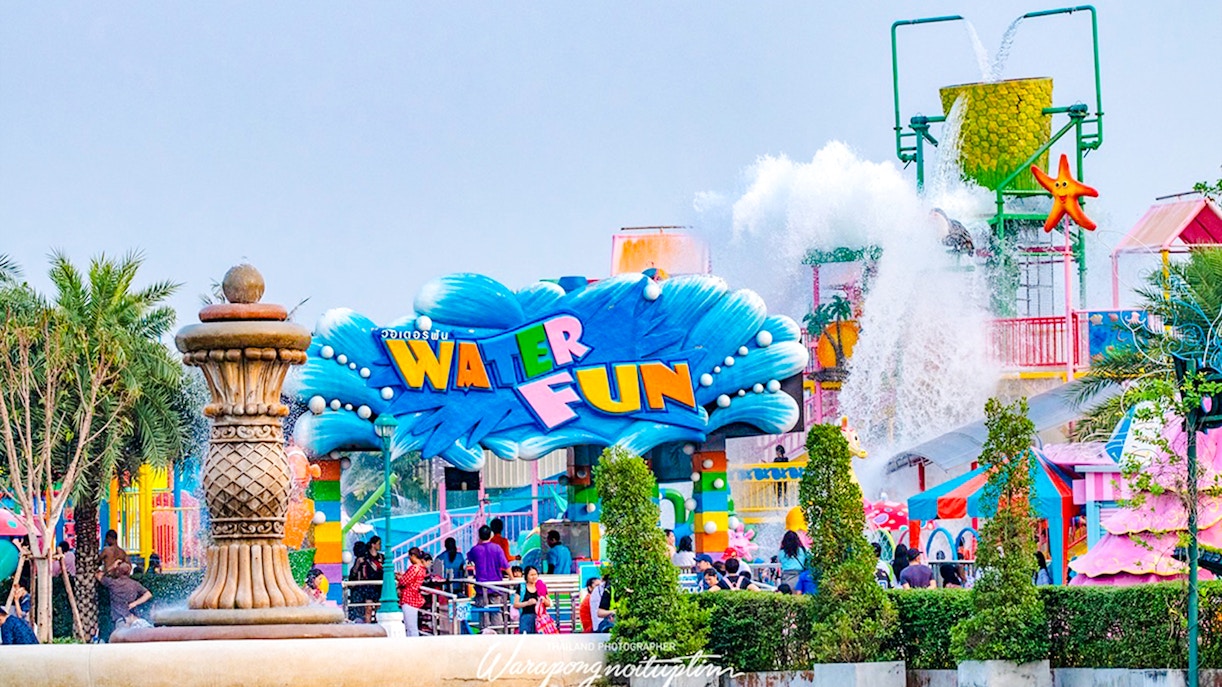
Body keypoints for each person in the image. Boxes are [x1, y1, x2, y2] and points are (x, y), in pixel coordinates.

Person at [468, 525, 510, 631]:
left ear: (479, 536)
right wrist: (512, 577)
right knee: (496, 614)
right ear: (490, 535)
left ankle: (484, 635)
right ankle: (498, 635)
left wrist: (479, 542)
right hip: (496, 588)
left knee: (483, 616)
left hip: (481, 590)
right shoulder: (497, 548)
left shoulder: (476, 549)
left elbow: (469, 558)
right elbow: (505, 565)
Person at [97, 561, 152, 630]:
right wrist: (135, 603)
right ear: (129, 572)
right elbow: (148, 594)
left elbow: (98, 575)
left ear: (118, 572)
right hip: (133, 618)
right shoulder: (134, 584)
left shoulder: (112, 583)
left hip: (120, 620)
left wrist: (112, 567)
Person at [395, 547, 428, 637]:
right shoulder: (421, 568)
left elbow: (404, 581)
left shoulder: (415, 568)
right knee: (412, 625)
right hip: (414, 597)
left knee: (410, 626)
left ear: (413, 556)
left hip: (409, 598)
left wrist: (399, 578)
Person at [512, 565, 549, 634]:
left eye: (535, 574)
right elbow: (515, 604)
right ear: (526, 576)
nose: (534, 577)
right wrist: (527, 603)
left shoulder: (541, 586)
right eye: (531, 575)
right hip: (526, 618)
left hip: (540, 618)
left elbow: (549, 603)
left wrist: (543, 600)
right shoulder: (522, 587)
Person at [347, 541, 372, 622]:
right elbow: (352, 577)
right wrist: (357, 565)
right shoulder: (358, 563)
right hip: (358, 591)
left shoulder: (368, 562)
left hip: (365, 590)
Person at [366, 536, 385, 621]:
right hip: (369, 586)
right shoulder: (366, 557)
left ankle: (378, 625)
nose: (380, 545)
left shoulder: (381, 557)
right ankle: (367, 628)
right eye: (379, 544)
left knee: (379, 608)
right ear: (373, 545)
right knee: (368, 608)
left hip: (379, 586)